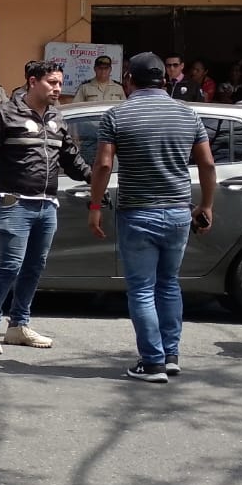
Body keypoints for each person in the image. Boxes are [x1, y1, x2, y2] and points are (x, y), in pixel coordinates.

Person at [88, 52, 216, 383]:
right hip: (177, 213)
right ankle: (170, 355)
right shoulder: (188, 114)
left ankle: (153, 362)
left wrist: (95, 206)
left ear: (129, 79)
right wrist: (207, 205)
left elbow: (103, 165)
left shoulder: (116, 115)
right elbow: (207, 164)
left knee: (142, 290)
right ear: (164, 79)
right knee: (169, 284)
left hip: (137, 213)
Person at [0, 59, 92, 355]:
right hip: (15, 204)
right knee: (10, 266)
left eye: (60, 82)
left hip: (47, 206)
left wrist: (95, 182)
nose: (58, 88)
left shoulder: (57, 118)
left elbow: (72, 160)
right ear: (32, 82)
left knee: (35, 267)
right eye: (52, 82)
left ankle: (18, 326)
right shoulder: (5, 113)